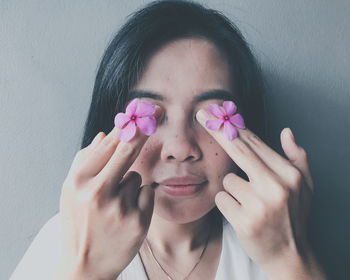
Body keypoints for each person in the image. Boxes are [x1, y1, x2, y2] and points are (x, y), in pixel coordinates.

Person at [9, 0, 327, 279]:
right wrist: (87, 270)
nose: (180, 149)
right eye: (149, 117)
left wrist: (288, 259)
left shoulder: (272, 245)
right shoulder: (65, 243)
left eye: (212, 116)